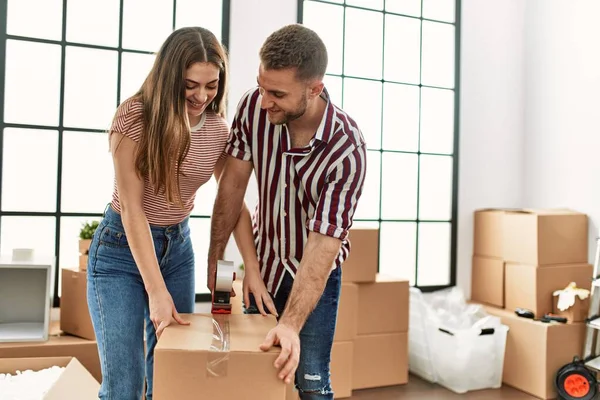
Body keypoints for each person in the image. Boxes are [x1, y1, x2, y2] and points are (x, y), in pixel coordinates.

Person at [86, 27, 256, 400]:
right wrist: (156, 291)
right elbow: (132, 209)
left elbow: (233, 200)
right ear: (169, 76)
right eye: (190, 84)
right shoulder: (134, 118)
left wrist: (251, 271)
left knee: (169, 376)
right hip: (120, 251)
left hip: (178, 249)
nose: (201, 96)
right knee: (125, 386)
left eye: (211, 85)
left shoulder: (216, 129)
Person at [207, 24, 367, 399]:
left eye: (277, 93)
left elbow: (324, 244)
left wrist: (292, 324)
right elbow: (231, 187)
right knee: (254, 379)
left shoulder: (346, 148)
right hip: (262, 269)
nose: (264, 101)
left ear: (314, 89)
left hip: (313, 275)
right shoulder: (253, 106)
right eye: (262, 86)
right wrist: (219, 263)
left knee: (310, 382)